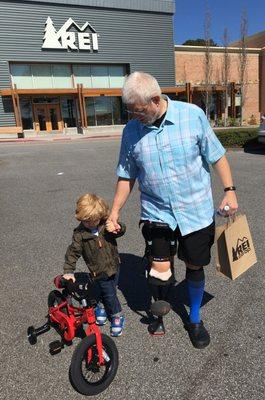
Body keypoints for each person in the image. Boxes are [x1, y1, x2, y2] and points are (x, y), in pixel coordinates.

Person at [108, 71, 238, 348]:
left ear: (155, 99)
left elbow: (217, 155)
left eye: (139, 110)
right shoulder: (131, 130)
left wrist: (229, 191)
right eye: (130, 111)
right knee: (159, 271)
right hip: (157, 213)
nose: (134, 116)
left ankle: (194, 317)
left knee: (194, 266)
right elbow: (126, 174)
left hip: (196, 211)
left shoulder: (192, 115)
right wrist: (114, 211)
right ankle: (158, 309)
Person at [63, 193, 126, 337]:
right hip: (98, 271)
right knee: (109, 293)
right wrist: (69, 270)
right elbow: (73, 252)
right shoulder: (80, 234)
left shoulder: (105, 224)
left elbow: (121, 230)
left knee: (110, 290)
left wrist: (117, 227)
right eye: (86, 221)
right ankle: (117, 315)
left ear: (100, 215)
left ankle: (101, 305)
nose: (91, 224)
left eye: (94, 220)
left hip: (115, 265)